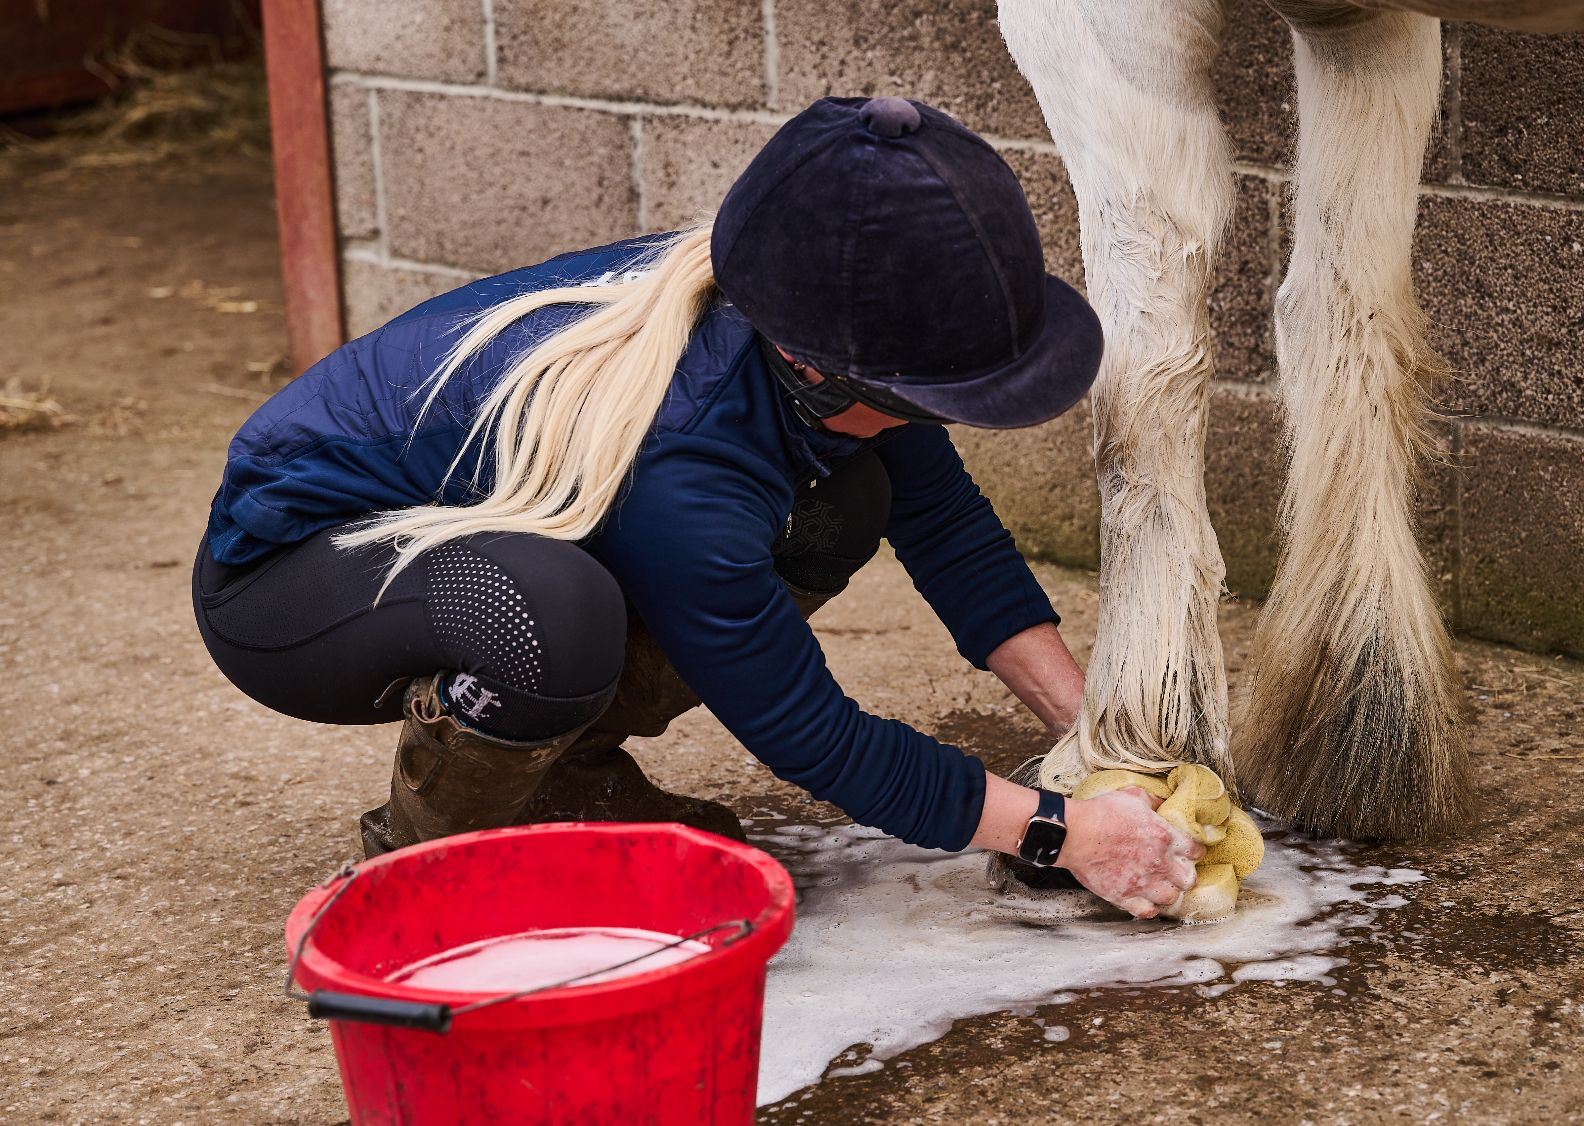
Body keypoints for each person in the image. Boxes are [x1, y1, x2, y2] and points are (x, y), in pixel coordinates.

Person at [192, 96, 1202, 919]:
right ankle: (428, 862)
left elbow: (949, 534)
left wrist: (1097, 739)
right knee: (549, 618)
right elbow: (810, 732)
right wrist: (1064, 833)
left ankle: (565, 778)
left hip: (466, 543)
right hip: (290, 582)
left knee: (849, 497)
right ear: (816, 365)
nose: (946, 421)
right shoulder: (687, 455)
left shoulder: (803, 328)